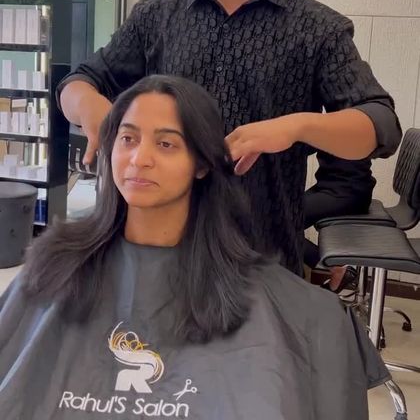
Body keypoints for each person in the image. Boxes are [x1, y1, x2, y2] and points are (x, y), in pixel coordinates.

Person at [57, 0, 401, 275]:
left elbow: (381, 124)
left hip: (261, 263)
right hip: (157, 261)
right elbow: (77, 82)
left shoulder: (317, 30)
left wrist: (294, 127)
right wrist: (91, 107)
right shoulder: (155, 17)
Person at [0, 76, 390, 420]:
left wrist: (299, 126)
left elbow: (381, 123)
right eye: (128, 139)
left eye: (166, 143)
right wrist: (81, 98)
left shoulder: (277, 304)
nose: (140, 159)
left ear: (202, 164)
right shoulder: (54, 268)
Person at [304, 152, 375, 291]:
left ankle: (336, 267)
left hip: (345, 191)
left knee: (276, 224)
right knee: (277, 217)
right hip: (338, 186)